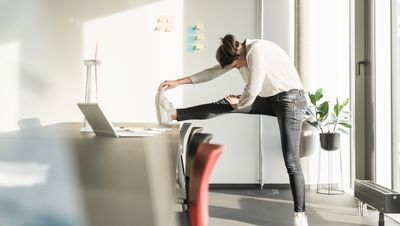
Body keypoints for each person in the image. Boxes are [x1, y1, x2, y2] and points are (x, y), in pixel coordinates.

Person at [155, 34, 308, 226]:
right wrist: (178, 82)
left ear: (238, 55)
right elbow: (211, 73)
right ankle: (172, 114)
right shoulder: (238, 54)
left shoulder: (257, 51)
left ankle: (300, 216)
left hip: (291, 100)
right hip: (271, 98)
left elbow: (252, 89)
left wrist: (240, 103)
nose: (236, 68)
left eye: (235, 66)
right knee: (224, 103)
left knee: (291, 159)